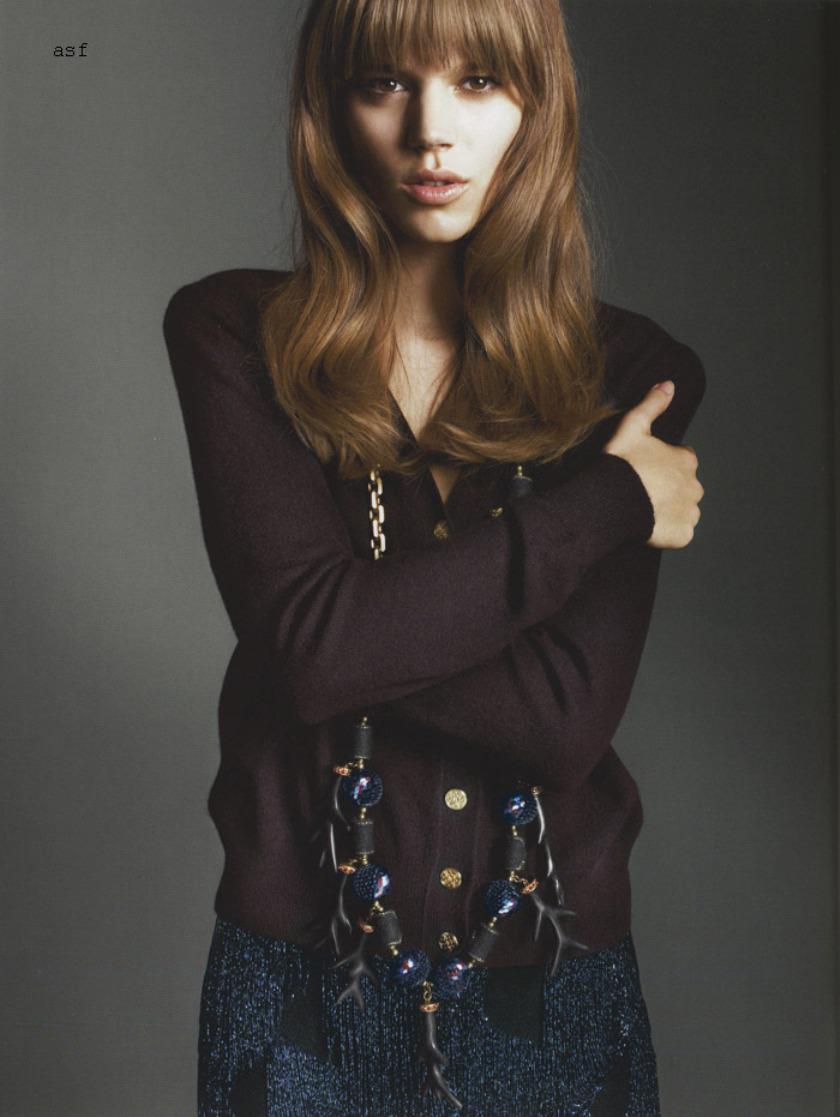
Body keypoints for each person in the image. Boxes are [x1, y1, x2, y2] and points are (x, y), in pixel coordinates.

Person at [163, 0, 706, 1114]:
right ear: (331, 108)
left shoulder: (632, 373)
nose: (430, 133)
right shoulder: (235, 335)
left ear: (537, 106)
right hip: (294, 989)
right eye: (385, 84)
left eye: (478, 82)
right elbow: (311, 654)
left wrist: (355, 622)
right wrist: (609, 500)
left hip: (556, 995)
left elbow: (561, 721)